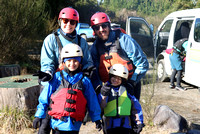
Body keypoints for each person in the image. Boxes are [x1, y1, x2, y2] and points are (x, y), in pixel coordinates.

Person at [33, 43, 102, 134]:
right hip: (57, 123)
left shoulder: (85, 81)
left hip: (74, 125)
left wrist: (96, 118)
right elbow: (45, 97)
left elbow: (92, 101)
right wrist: (39, 115)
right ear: (63, 62)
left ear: (80, 61)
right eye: (69, 61)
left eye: (75, 61)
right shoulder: (57, 77)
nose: (72, 64)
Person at [90, 12, 149, 100]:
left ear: (109, 26)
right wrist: (99, 88)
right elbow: (94, 71)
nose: (101, 29)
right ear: (94, 31)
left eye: (104, 26)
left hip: (129, 86)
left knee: (130, 112)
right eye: (97, 27)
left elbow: (143, 63)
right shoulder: (95, 47)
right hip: (109, 89)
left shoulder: (124, 40)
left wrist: (132, 82)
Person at [34, 7, 94, 85]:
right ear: (60, 22)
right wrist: (48, 73)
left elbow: (88, 62)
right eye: (65, 21)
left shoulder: (82, 41)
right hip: (56, 81)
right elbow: (47, 62)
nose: (68, 25)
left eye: (72, 22)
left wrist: (87, 70)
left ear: (76, 24)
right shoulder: (51, 39)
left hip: (76, 82)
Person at [99, 64, 144, 134]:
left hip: (125, 125)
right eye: (114, 77)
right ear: (110, 76)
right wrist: (104, 95)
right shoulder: (105, 90)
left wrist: (139, 122)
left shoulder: (128, 91)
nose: (116, 80)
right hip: (109, 125)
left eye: (119, 78)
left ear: (123, 80)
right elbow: (100, 107)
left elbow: (136, 107)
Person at [169, 22, 190, 91]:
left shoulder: (180, 39)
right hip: (175, 55)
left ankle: (171, 84)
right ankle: (178, 85)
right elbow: (188, 51)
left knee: (174, 69)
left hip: (171, 54)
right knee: (179, 70)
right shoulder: (186, 41)